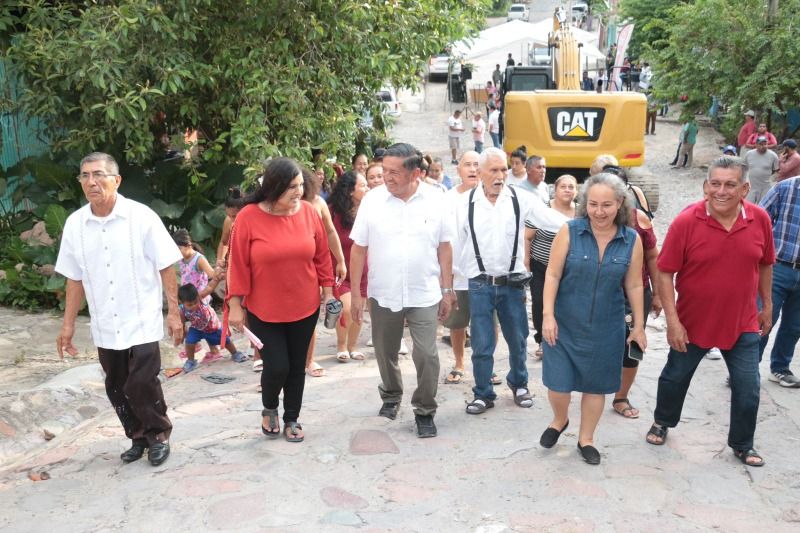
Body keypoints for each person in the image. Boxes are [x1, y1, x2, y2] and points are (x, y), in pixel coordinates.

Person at [55, 152, 182, 467]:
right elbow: (75, 279)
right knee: (115, 386)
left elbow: (166, 265)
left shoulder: (141, 217)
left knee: (141, 382)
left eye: (98, 174)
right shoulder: (75, 225)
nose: (91, 182)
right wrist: (68, 326)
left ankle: (158, 435)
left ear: (117, 180)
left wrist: (174, 311)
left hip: (141, 319)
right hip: (105, 323)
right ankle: (137, 436)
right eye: (84, 176)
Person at [646, 156, 774, 468]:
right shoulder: (686, 221)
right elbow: (664, 273)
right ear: (705, 186)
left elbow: (765, 262)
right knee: (675, 377)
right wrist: (673, 322)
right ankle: (662, 420)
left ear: (744, 188)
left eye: (730, 184)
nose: (722, 191)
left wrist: (766, 304)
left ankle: (743, 444)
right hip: (692, 321)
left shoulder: (759, 220)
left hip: (742, 321)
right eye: (715, 183)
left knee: (748, 386)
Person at [227, 158, 335, 443]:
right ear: (274, 187)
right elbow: (237, 264)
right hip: (264, 308)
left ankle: (292, 418)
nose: (298, 192)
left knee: (297, 365)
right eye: (291, 187)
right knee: (277, 366)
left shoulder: (310, 213)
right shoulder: (248, 217)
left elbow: (322, 256)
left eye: (301, 185)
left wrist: (328, 293)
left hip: (305, 305)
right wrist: (235, 305)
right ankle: (270, 407)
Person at [349, 142, 454, 438]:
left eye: (395, 172)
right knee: (385, 351)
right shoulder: (373, 201)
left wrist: (447, 288)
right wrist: (356, 294)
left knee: (427, 355)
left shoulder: (436, 200)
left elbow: (445, 247)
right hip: (384, 292)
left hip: (424, 292)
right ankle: (392, 395)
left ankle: (424, 409)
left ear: (416, 173)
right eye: (385, 171)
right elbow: (358, 249)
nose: (387, 177)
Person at [540, 173, 644, 465]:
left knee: (595, 386)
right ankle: (560, 420)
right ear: (585, 203)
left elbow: (634, 285)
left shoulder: (631, 240)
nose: (599, 211)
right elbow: (552, 274)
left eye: (607, 205)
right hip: (563, 324)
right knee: (558, 385)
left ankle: (586, 439)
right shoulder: (570, 231)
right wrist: (548, 315)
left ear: (620, 203)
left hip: (606, 328)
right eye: (594, 204)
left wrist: (638, 327)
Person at [456, 148, 569, 415]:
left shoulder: (520, 199)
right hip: (480, 284)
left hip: (513, 283)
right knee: (482, 344)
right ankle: (483, 392)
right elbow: (456, 243)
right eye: (493, 170)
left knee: (518, 339)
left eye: (503, 169)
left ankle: (519, 384)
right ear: (481, 173)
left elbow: (553, 221)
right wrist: (453, 284)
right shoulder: (465, 203)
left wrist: (586, 227)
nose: (500, 175)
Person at [302, 168, 347, 377]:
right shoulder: (274, 208)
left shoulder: (317, 203)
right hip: (286, 271)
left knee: (310, 315)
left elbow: (330, 232)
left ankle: (309, 360)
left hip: (314, 266)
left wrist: (340, 260)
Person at [526, 174, 577, 359]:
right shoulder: (543, 210)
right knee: (540, 302)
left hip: (568, 268)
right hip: (541, 266)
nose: (567, 190)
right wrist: (525, 262)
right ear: (555, 189)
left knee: (565, 303)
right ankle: (542, 340)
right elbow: (527, 236)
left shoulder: (580, 213)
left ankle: (563, 338)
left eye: (571, 187)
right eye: (563, 186)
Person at [442, 152, 480, 385]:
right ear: (459, 170)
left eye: (477, 164)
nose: (473, 169)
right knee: (457, 323)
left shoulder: (491, 196)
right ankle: (459, 363)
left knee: (487, 323)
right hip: (457, 273)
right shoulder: (448, 198)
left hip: (485, 274)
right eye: (467, 165)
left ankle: (485, 365)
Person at [758, 176, 800, 387]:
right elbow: (758, 219)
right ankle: (746, 369)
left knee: (795, 326)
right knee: (763, 320)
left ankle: (780, 368)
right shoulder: (785, 188)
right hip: (777, 268)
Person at [327, 171, 369, 363]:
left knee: (358, 309)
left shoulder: (370, 209)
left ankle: (353, 346)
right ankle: (341, 344)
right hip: (341, 271)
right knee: (346, 308)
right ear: (351, 191)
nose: (367, 188)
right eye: (363, 185)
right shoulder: (333, 212)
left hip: (365, 271)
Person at [178, 283, 247, 373]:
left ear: (198, 297)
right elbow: (182, 323)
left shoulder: (202, 298)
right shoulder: (182, 310)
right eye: (190, 305)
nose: (194, 306)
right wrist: (182, 333)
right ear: (182, 303)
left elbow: (210, 287)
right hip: (196, 328)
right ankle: (191, 361)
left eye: (195, 302)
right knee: (189, 342)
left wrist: (216, 279)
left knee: (225, 340)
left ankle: (235, 353)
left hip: (212, 326)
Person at [744, 136, 779, 204]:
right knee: (748, 205)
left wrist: (770, 179)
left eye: (765, 144)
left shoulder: (773, 155)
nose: (764, 146)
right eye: (761, 144)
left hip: (766, 187)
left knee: (763, 207)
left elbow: (777, 170)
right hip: (752, 186)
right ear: (756, 145)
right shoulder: (749, 154)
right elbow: (744, 168)